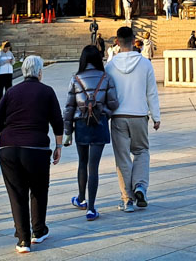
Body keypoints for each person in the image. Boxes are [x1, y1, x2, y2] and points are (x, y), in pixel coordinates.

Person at [0, 55, 63, 253]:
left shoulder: (12, 91)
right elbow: (57, 122)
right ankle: (38, 231)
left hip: (8, 148)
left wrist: (8, 133)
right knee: (39, 190)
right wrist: (58, 147)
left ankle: (22, 240)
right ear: (40, 72)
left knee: (17, 193)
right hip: (36, 148)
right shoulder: (47, 91)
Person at [105, 25, 161, 212]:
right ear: (133, 40)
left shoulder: (110, 66)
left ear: (118, 42)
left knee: (122, 158)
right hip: (139, 114)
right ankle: (140, 187)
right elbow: (151, 92)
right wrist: (156, 116)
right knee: (141, 151)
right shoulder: (145, 63)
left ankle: (127, 199)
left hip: (118, 116)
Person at [63, 45, 120, 221]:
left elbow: (69, 107)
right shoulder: (106, 78)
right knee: (93, 166)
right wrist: (105, 115)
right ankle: (92, 208)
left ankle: (81, 199)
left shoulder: (76, 79)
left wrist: (67, 131)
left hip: (81, 124)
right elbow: (114, 103)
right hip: (99, 123)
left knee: (82, 162)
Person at [0, 40, 15, 106]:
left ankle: (9, 102)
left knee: (9, 88)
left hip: (9, 72)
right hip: (1, 73)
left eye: (8, 48)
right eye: (6, 48)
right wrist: (5, 61)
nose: (7, 49)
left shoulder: (10, 53)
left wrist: (12, 61)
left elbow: (13, 61)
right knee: (0, 88)